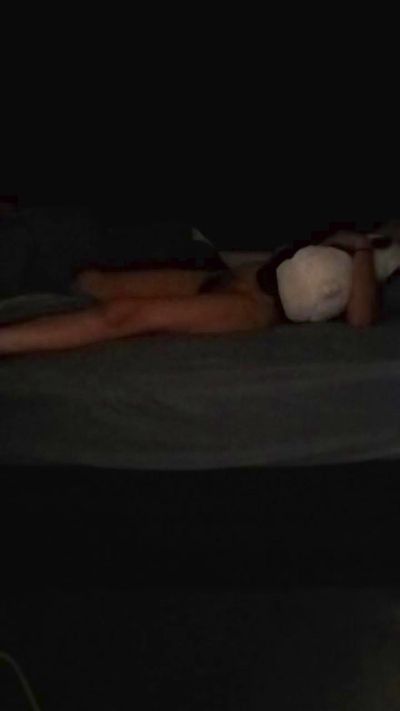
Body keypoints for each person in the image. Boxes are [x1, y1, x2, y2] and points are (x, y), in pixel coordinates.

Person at [0, 230, 383, 355]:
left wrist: (363, 248)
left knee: (125, 315)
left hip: (252, 306)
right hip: (227, 278)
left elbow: (361, 320)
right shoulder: (340, 237)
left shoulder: (368, 263)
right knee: (94, 283)